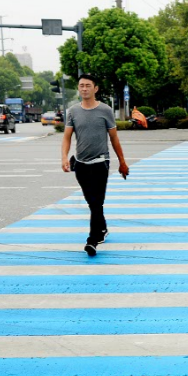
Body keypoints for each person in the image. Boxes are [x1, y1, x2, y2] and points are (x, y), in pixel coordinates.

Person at [61, 75, 130, 257]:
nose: (84, 89)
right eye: (81, 86)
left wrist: (122, 162)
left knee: (96, 201)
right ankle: (103, 227)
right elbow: (67, 136)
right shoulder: (73, 111)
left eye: (88, 86)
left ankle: (92, 240)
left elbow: (114, 138)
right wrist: (64, 157)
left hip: (101, 162)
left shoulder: (105, 110)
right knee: (92, 202)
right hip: (81, 164)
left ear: (95, 88)